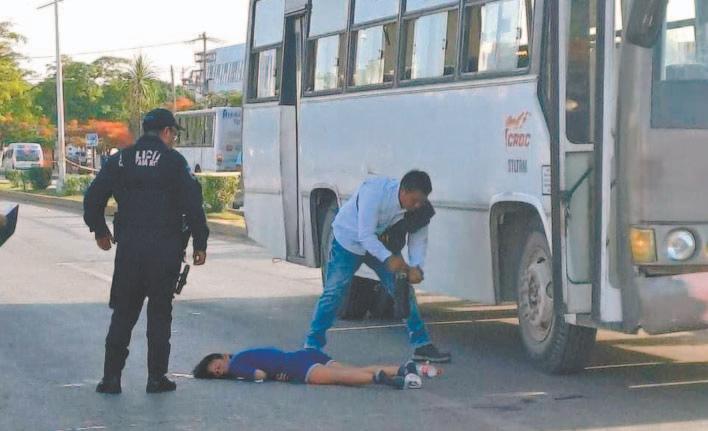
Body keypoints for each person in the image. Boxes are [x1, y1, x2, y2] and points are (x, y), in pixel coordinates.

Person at [83, 108, 210, 394]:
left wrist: (100, 231)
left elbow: (93, 198)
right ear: (166, 132)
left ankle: (111, 378)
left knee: (123, 314)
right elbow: (194, 205)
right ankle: (156, 378)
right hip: (165, 251)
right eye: (173, 134)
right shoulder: (174, 162)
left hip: (130, 251)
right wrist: (200, 243)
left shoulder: (121, 159)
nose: (173, 139)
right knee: (159, 314)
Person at [305, 170, 451, 363]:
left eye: (421, 201)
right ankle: (312, 346)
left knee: (403, 290)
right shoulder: (374, 193)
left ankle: (421, 345)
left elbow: (418, 238)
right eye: (414, 200)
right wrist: (389, 259)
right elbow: (365, 235)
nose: (417, 205)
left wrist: (416, 266)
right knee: (334, 292)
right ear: (403, 191)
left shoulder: (421, 210)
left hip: (382, 243)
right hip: (349, 240)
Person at [192, 347, 441, 389]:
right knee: (351, 369)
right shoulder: (243, 354)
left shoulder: (237, 365)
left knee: (341, 378)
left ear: (222, 357)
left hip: (296, 367)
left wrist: (243, 377)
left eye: (217, 366)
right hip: (306, 354)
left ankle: (379, 378)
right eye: (216, 373)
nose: (220, 371)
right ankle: (404, 368)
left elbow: (260, 375)